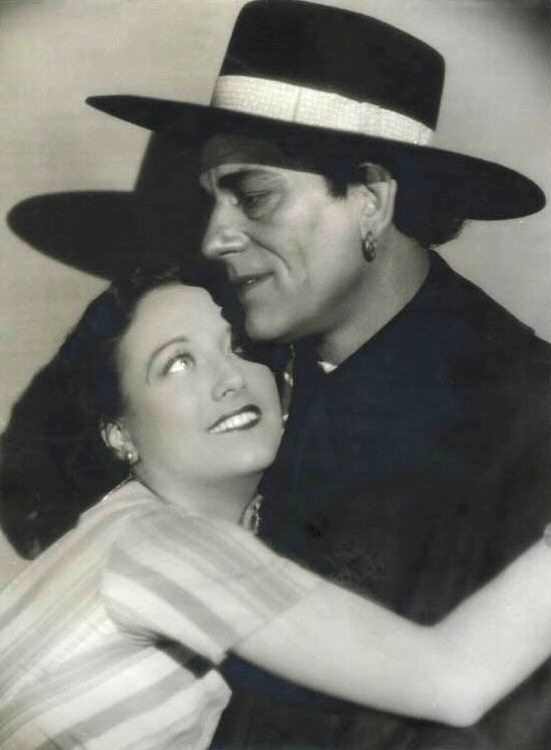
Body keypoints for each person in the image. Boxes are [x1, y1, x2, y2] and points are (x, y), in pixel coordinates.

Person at [84, 2, 551, 748]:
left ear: (370, 201)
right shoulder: (227, 362)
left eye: (253, 197)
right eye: (211, 203)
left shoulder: (524, 416)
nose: (214, 239)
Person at [3, 263, 551, 750]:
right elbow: (451, 680)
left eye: (239, 348)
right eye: (178, 363)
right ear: (119, 432)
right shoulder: (161, 542)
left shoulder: (115, 531)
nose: (230, 379)